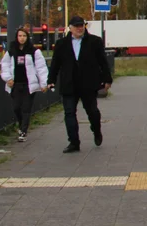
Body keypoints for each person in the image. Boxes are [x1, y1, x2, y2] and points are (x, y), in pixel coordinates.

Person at [47, 15, 112, 153]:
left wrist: (107, 79)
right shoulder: (61, 44)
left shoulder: (95, 42)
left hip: (88, 84)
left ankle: (96, 130)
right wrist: (51, 80)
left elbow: (103, 62)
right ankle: (74, 142)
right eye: (76, 26)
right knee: (69, 113)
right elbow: (55, 65)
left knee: (92, 112)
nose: (79, 28)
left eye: (81, 25)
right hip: (69, 84)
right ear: (70, 28)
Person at [0, 27, 49, 142]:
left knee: (26, 108)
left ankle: (23, 131)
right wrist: (8, 78)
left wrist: (44, 83)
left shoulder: (34, 51)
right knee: (16, 107)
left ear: (27, 37)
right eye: (20, 36)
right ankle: (21, 124)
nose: (22, 38)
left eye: (24, 36)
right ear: (17, 37)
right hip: (15, 84)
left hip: (29, 85)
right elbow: (5, 65)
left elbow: (41, 68)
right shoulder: (11, 51)